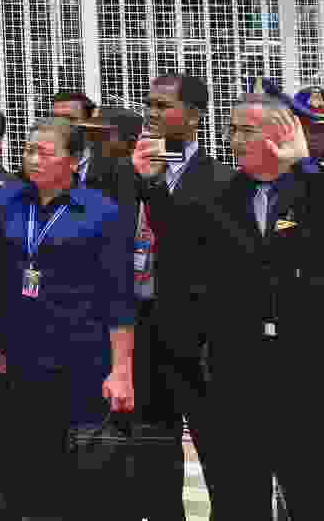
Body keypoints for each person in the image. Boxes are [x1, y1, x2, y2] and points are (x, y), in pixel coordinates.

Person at [178, 91, 324, 521]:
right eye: (232, 130)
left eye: (247, 131)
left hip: (306, 375)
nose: (235, 140)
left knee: (316, 496)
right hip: (236, 373)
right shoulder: (217, 197)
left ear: (281, 135)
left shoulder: (318, 192)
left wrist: (304, 166)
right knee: (238, 499)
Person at [0, 113, 136, 521]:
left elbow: (119, 296)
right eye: (30, 150)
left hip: (82, 357)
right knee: (27, 464)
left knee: (82, 470)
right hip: (20, 356)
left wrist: (122, 369)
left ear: (74, 161)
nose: (33, 159)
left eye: (45, 153)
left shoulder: (101, 211)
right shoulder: (9, 201)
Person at [126, 70, 231, 521]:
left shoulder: (222, 180)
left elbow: (188, 242)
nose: (151, 114)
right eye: (148, 105)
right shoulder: (125, 171)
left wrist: (152, 185)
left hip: (199, 337)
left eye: (163, 106)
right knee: (153, 453)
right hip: (141, 330)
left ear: (193, 115)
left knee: (222, 454)